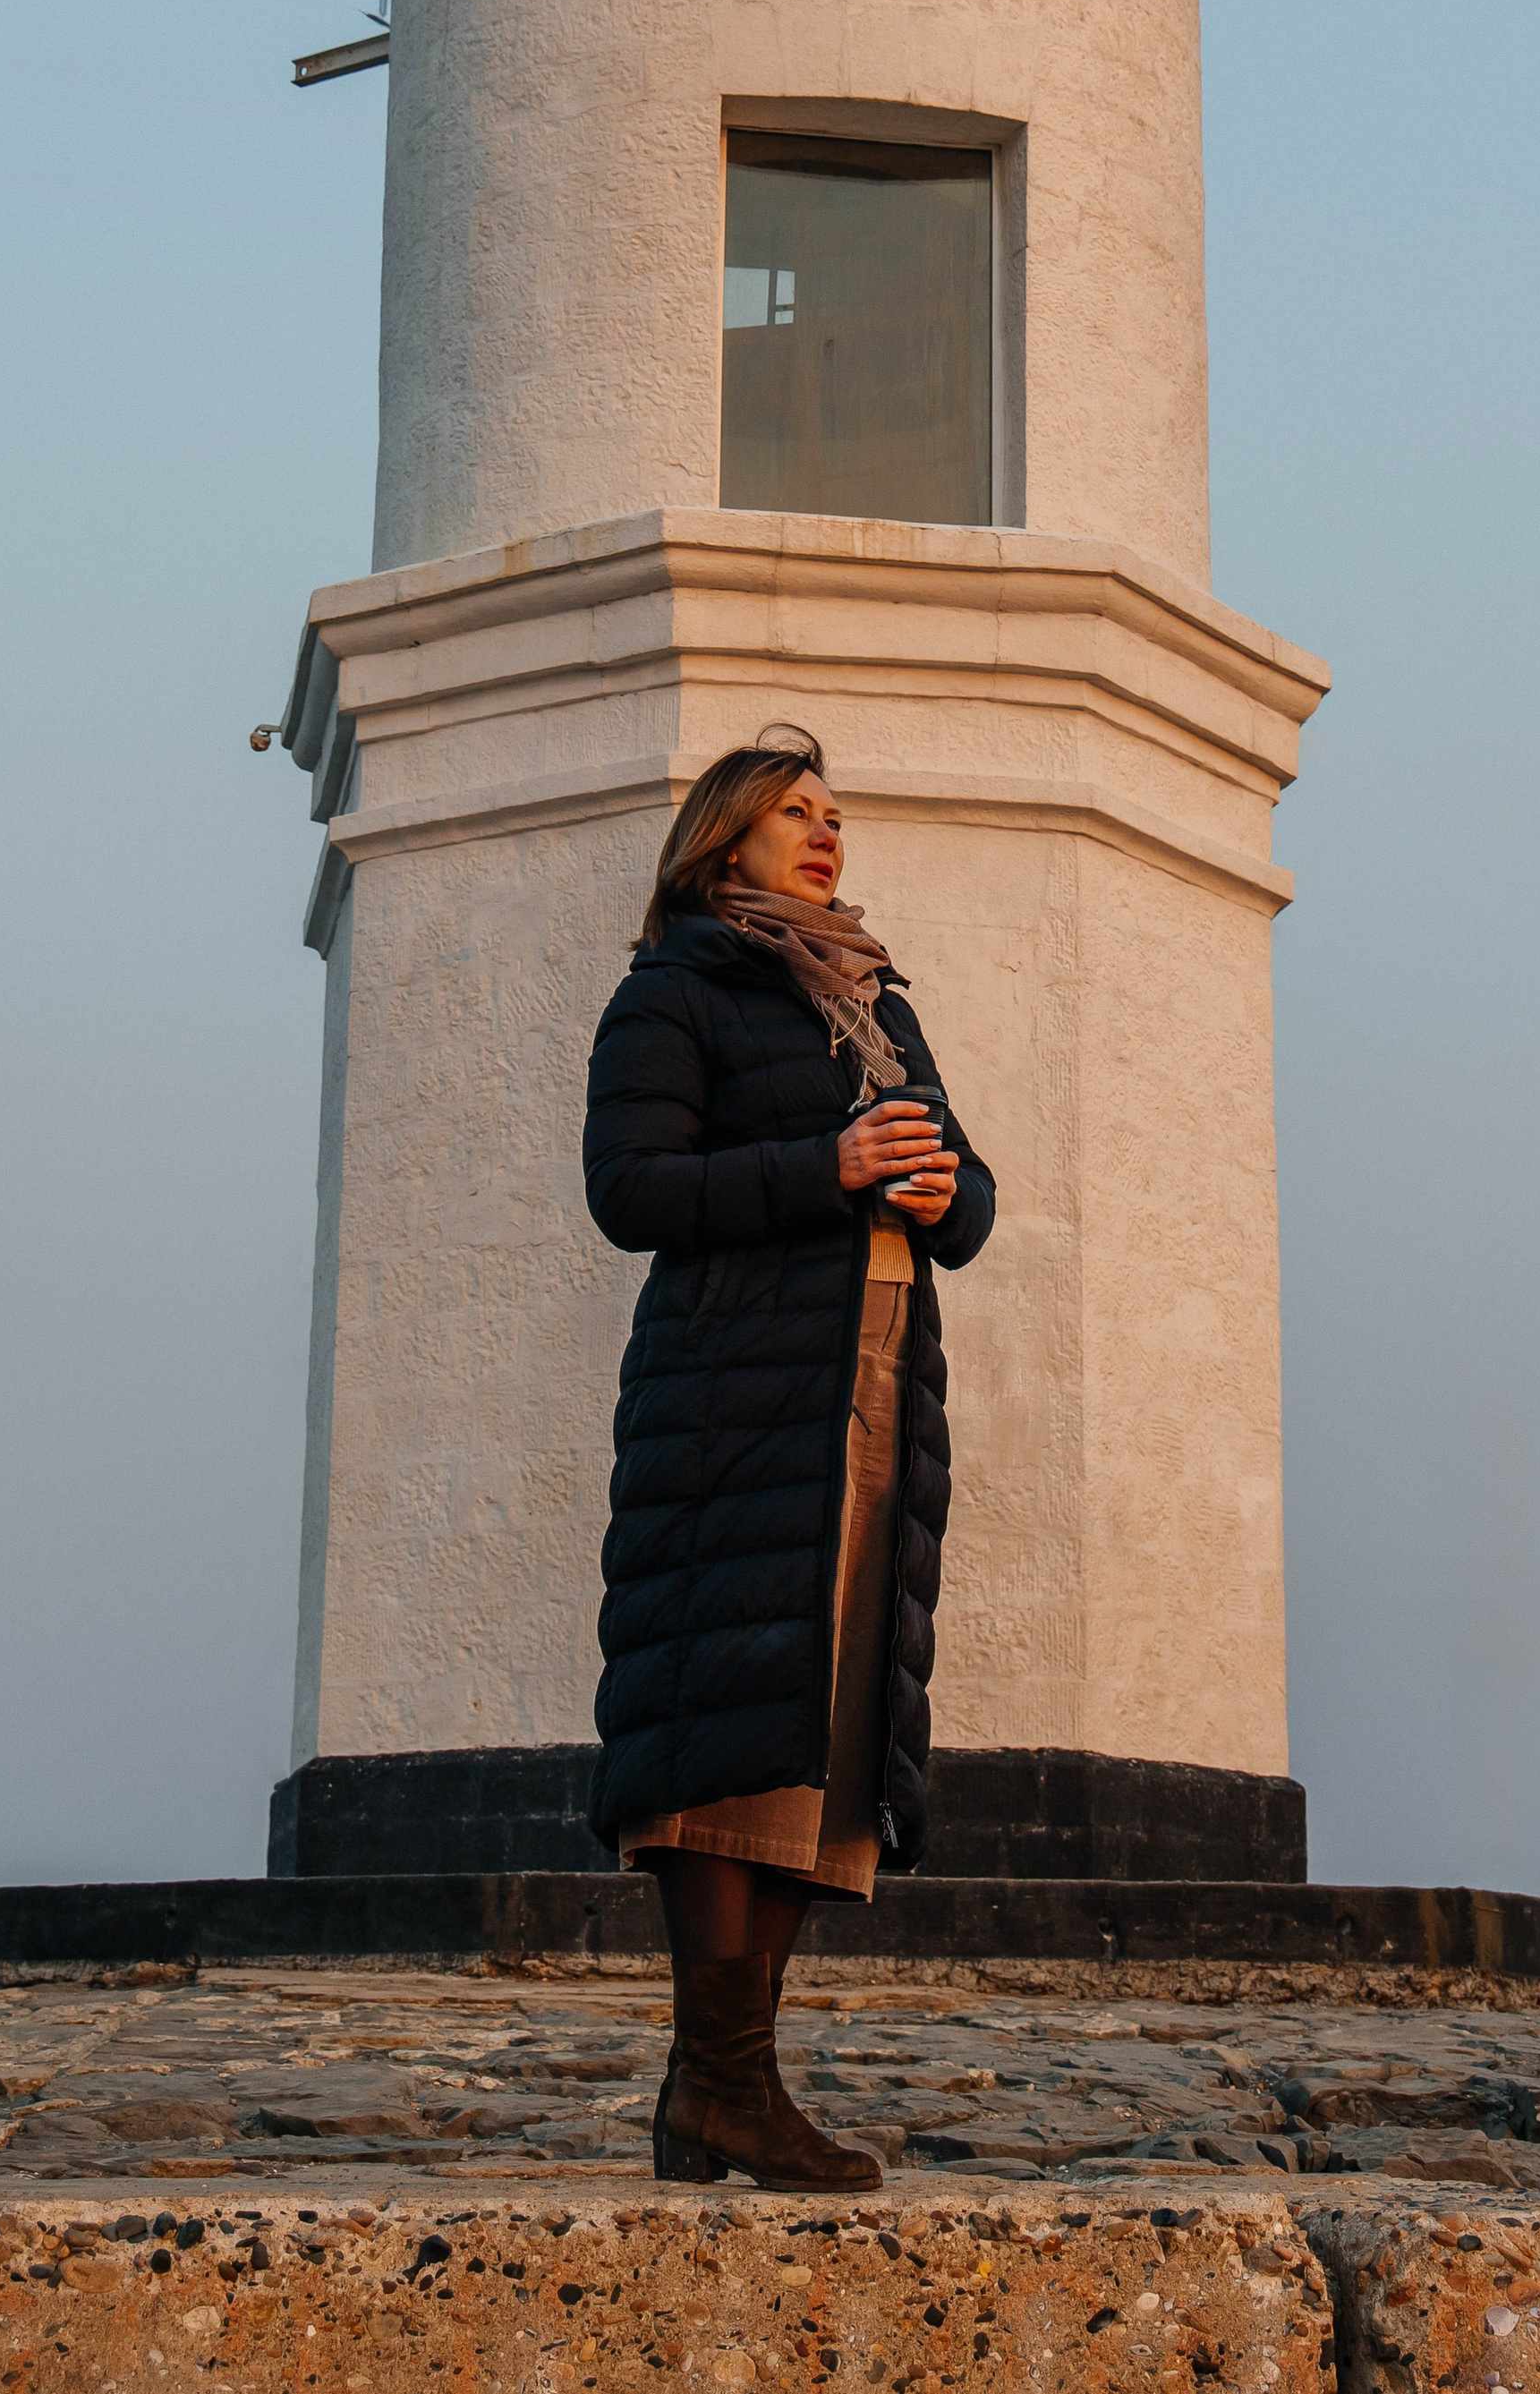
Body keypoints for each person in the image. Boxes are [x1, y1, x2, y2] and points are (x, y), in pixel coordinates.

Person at [581, 725, 995, 2192]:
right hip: (731, 1389)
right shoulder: (674, 987)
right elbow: (628, 1187)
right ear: (723, 840)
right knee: (719, 1727)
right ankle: (729, 2089)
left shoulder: (872, 996)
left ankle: (721, 2093)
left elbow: (964, 1184)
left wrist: (946, 1189)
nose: (826, 832)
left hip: (874, 1379)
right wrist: (827, 1169)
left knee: (823, 1727)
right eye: (793, 813)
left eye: (835, 811)